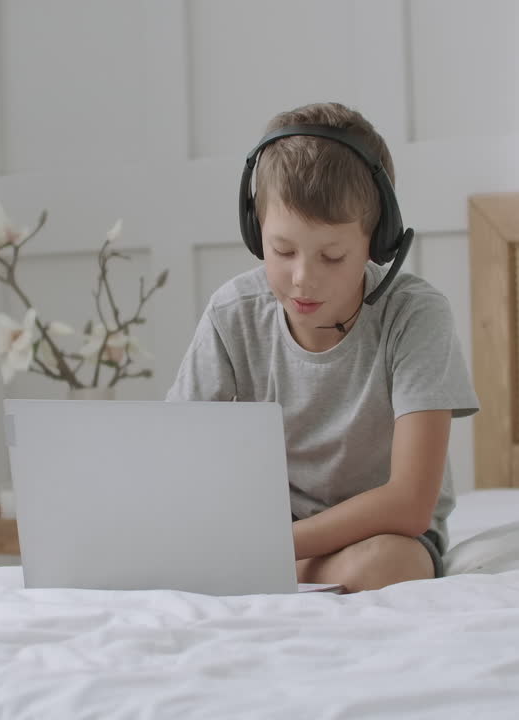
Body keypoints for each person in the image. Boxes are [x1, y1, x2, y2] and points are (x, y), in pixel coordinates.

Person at [167, 102, 478, 591]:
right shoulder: (233, 312)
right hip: (267, 531)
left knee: (387, 566)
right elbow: (173, 453)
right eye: (282, 251)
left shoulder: (415, 315)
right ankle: (285, 574)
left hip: (384, 535)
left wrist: (268, 549)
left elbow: (411, 503)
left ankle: (271, 575)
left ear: (377, 242)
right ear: (255, 232)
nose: (302, 279)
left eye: (333, 256)